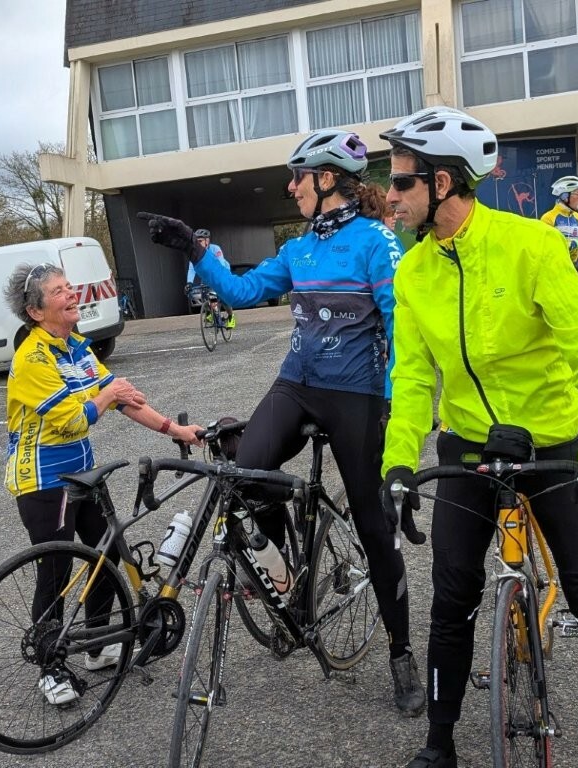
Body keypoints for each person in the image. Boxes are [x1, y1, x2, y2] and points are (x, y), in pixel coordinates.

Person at [379, 106, 578, 768]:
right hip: (469, 445)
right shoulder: (413, 271)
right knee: (451, 596)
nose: (389, 195)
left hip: (552, 444)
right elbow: (413, 377)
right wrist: (398, 464)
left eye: (401, 182)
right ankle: (440, 742)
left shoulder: (531, 246)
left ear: (442, 183)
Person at [138, 128, 426, 717]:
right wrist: (193, 250)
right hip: (297, 384)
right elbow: (242, 292)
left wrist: (395, 403)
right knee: (243, 476)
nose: (291, 188)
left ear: (327, 179)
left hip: (355, 394)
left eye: (297, 177)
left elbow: (401, 325)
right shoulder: (299, 248)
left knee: (374, 526)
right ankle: (289, 570)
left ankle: (401, 652)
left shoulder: (376, 241)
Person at [2, 262, 203, 705]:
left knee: (105, 554)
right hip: (42, 480)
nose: (72, 293)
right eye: (60, 290)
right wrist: (109, 394)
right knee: (55, 569)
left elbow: (125, 401)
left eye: (69, 286)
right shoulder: (32, 359)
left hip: (82, 474)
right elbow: (75, 420)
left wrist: (177, 430)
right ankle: (49, 666)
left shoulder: (76, 347)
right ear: (36, 311)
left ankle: (96, 644)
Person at [186, 228, 235, 329]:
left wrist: (218, 280)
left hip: (222, 272)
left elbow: (221, 263)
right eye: (196, 241)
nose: (197, 243)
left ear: (207, 241)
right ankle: (210, 313)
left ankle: (231, 317)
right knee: (206, 295)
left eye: (200, 241)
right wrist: (189, 283)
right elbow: (191, 268)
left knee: (223, 298)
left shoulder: (215, 249)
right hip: (207, 275)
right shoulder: (194, 252)